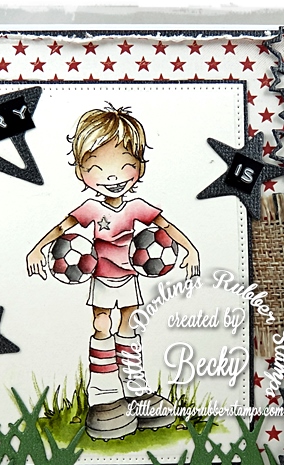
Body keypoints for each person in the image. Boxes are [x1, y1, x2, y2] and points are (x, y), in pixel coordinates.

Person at [26, 105, 200, 440]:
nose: (112, 177)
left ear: (139, 167)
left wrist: (190, 249)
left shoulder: (137, 207)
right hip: (102, 278)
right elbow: (62, 228)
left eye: (124, 166)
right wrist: (38, 248)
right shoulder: (91, 208)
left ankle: (136, 392)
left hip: (130, 278)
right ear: (82, 172)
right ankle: (105, 397)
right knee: (102, 325)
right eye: (98, 168)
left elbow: (166, 226)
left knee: (130, 324)